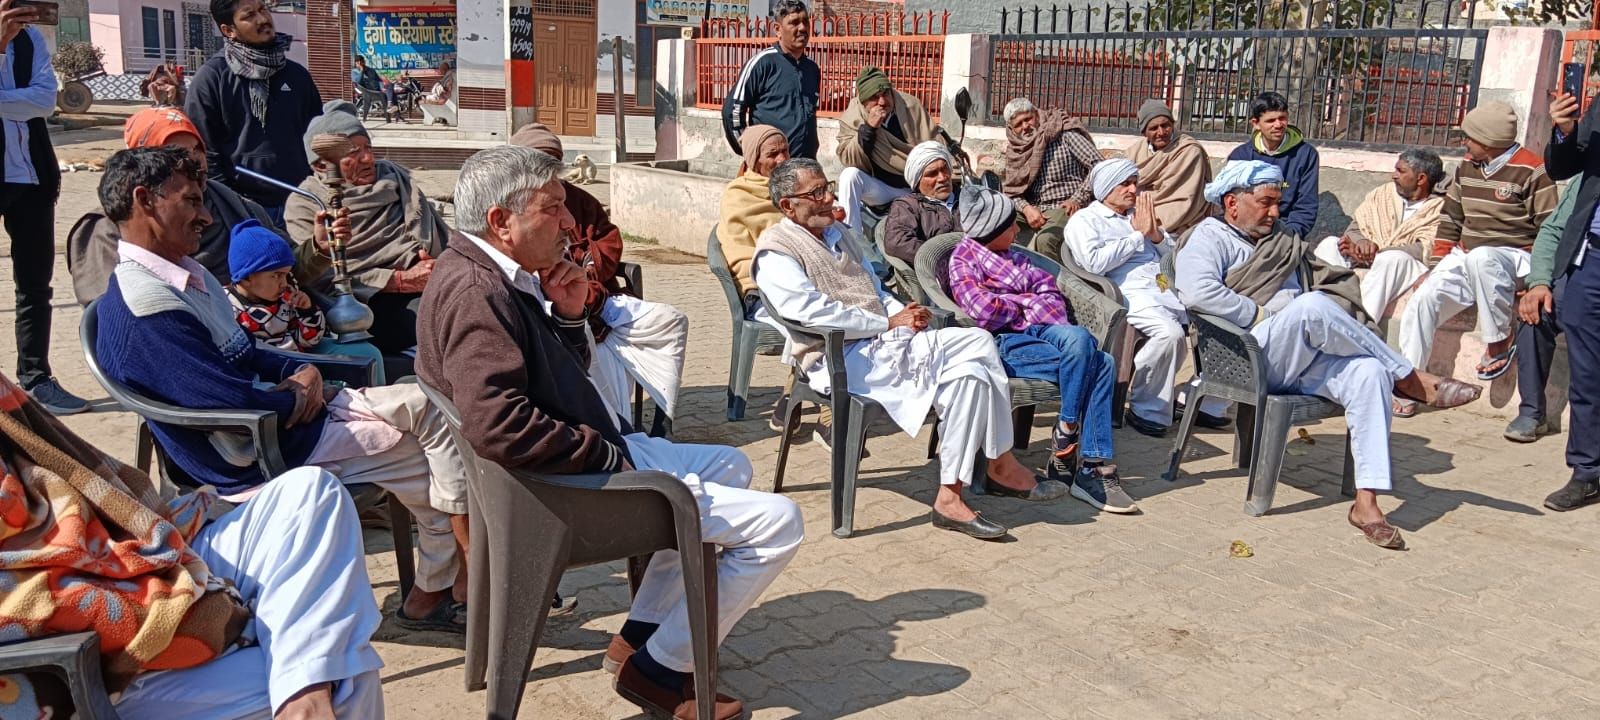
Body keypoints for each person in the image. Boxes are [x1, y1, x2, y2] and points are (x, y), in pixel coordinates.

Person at [415, 145, 802, 720]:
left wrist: (569, 318)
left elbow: (545, 384)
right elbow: (497, 422)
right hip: (560, 496)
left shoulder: (485, 270)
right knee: (780, 524)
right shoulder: (479, 293)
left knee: (732, 468)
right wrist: (602, 453)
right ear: (502, 221)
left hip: (556, 470)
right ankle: (659, 671)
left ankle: (636, 637)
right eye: (553, 208)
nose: (570, 222)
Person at [92, 146, 470, 634]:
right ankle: (449, 583)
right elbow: (223, 401)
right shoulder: (147, 307)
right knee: (429, 447)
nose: (206, 215)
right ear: (145, 201)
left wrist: (310, 373)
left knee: (429, 408)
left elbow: (245, 353)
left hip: (280, 413)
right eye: (190, 201)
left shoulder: (188, 275)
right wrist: (296, 392)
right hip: (252, 449)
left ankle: (445, 584)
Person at [0, 372, 384, 719]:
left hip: (127, 551)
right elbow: (202, 387)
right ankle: (306, 693)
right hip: (84, 656)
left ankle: (303, 690)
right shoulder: (148, 306)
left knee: (311, 492)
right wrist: (291, 397)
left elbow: (239, 360)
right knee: (347, 671)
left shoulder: (194, 295)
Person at [754, 158, 1071, 541]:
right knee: (976, 342)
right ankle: (1000, 463)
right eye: (816, 193)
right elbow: (811, 313)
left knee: (969, 375)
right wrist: (886, 322)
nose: (828, 198)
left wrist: (900, 311)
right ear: (788, 205)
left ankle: (950, 497)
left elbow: (873, 290)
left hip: (881, 344)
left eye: (828, 188)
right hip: (836, 359)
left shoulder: (840, 233)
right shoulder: (777, 252)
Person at [1174, 160, 1484, 548]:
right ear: (1232, 203)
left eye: (1278, 203)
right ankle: (1407, 377)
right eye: (1266, 203)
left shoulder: (1281, 237)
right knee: (1313, 307)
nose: (1275, 212)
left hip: (1298, 354)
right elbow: (1197, 293)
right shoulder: (1208, 237)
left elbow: (1319, 276)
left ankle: (1366, 503)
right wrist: (1262, 313)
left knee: (1368, 371)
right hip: (1245, 357)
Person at [946, 185, 1133, 513]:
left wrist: (1014, 301)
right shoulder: (963, 258)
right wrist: (1024, 303)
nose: (1018, 230)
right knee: (1101, 362)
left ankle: (1066, 439)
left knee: (1079, 341)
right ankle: (1090, 467)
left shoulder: (1015, 255)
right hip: (1004, 344)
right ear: (992, 229)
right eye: (1011, 225)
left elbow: (1049, 291)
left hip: (1045, 331)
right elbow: (981, 311)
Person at [510, 122, 690, 430]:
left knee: (670, 321)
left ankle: (663, 414)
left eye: (552, 163)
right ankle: (617, 430)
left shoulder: (579, 200)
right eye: (538, 163)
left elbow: (607, 239)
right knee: (599, 353)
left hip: (597, 293)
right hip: (553, 303)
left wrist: (589, 271)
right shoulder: (514, 207)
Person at [68, 106, 328, 306]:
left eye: (197, 149)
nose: (195, 161)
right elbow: (111, 316)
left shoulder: (232, 204)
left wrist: (319, 249)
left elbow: (284, 271)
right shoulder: (109, 228)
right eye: (175, 152)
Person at [1396, 101, 1556, 415]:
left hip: (1516, 256)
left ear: (1490, 140)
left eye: (1470, 137)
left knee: (1484, 258)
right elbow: (1451, 220)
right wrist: (1436, 267)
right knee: (1422, 300)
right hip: (1466, 254)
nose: (1465, 142)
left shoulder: (1532, 171)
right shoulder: (1466, 167)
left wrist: (1539, 279)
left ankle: (1498, 340)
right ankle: (1411, 383)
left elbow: (1549, 228)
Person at [1063, 158, 1228, 435]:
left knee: (1223, 322)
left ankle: (1202, 403)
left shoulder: (1136, 216)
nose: (1132, 189)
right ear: (1105, 188)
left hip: (1165, 286)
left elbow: (1176, 259)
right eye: (1124, 184)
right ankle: (1146, 407)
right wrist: (1137, 237)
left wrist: (1155, 236)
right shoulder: (1085, 220)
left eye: (1134, 183)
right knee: (1170, 334)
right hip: (1127, 291)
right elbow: (1093, 263)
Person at [284, 101, 449, 355]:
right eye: (353, 151)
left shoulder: (393, 178)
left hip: (431, 280)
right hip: (366, 302)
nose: (369, 158)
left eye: (368, 148)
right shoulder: (306, 203)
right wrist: (397, 281)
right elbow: (318, 278)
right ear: (320, 164)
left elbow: (436, 233)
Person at [0, 8, 87, 415]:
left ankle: (35, 378)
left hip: (33, 173)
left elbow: (43, 100)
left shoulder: (30, 38)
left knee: (34, 284)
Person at [186, 0, 323, 223]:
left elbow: (317, 135)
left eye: (263, 9)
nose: (263, 19)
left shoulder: (297, 76)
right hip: (243, 209)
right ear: (228, 30)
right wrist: (230, 205)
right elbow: (203, 152)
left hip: (301, 202)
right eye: (249, 15)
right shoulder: (212, 78)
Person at [1537, 89, 1600, 511]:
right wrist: (1564, 130)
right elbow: (1564, 167)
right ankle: (1588, 471)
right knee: (1588, 374)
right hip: (1592, 257)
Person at [227, 218, 389, 381]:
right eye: (276, 275)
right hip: (262, 368)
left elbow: (310, 341)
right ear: (247, 277)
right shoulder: (225, 304)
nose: (284, 283)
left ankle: (375, 403)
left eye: (287, 274)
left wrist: (307, 310)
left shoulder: (287, 297)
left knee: (367, 354)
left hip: (301, 359)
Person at [1310, 149, 1448, 322]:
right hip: (1370, 257)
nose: (1394, 176)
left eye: (1401, 171)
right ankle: (1319, 314)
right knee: (1329, 244)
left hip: (1407, 265)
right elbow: (1355, 228)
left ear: (1421, 179)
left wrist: (1375, 254)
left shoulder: (1441, 206)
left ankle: (1358, 325)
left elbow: (1428, 247)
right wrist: (1361, 242)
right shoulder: (1383, 194)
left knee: (1391, 258)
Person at [1507, 179, 1576, 445]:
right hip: (1578, 280)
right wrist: (1539, 283)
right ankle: (1533, 413)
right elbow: (1552, 231)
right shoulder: (1588, 178)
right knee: (1535, 311)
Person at [835, 66, 938, 229]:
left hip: (913, 187)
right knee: (849, 176)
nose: (882, 102)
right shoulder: (853, 116)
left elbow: (932, 145)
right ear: (863, 100)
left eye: (886, 94)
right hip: (880, 187)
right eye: (875, 98)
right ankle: (851, 239)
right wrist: (869, 128)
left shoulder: (910, 106)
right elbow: (850, 158)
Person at [1000, 96, 1102, 260]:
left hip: (1065, 206)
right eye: (1018, 124)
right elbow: (1012, 192)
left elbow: (1099, 166)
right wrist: (1026, 208)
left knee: (1046, 239)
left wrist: (1077, 198)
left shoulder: (1063, 134)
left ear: (1037, 114)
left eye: (1028, 119)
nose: (1025, 126)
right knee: (997, 225)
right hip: (1036, 209)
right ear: (1011, 129)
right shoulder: (1016, 152)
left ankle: (1055, 284)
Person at [720, 0, 819, 159]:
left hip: (805, 166)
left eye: (805, 21)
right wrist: (750, 151)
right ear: (778, 29)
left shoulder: (812, 69)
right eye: (794, 23)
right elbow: (732, 111)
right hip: (771, 169)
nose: (802, 28)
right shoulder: (762, 63)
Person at [1226, 92, 1320, 239]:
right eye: (1270, 121)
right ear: (1256, 123)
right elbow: (1231, 203)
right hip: (1245, 231)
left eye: (1282, 118)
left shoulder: (1306, 155)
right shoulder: (1240, 156)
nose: (1278, 125)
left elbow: (1305, 208)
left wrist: (1285, 238)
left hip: (1284, 234)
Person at [718, 124, 791, 307]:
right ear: (754, 160)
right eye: (772, 154)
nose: (782, 159)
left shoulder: (793, 188)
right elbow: (739, 253)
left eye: (785, 151)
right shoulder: (738, 195)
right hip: (761, 291)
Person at [1124, 99, 1213, 237]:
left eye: (1165, 126)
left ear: (1172, 125)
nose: (1161, 132)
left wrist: (1142, 203)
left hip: (1179, 218)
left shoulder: (1189, 150)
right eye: (1154, 128)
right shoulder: (1134, 152)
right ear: (1144, 132)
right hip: (1138, 212)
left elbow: (1183, 194)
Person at [881, 140, 960, 265]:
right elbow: (896, 243)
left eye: (945, 169)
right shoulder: (907, 206)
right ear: (918, 181)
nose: (942, 178)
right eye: (932, 174)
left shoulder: (968, 198)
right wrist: (945, 259)